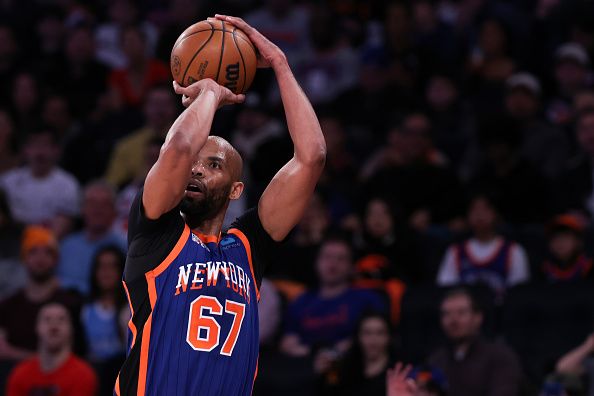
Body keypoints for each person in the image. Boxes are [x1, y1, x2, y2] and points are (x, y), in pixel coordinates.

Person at [114, 14, 326, 396]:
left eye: (213, 165)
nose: (196, 169)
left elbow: (311, 158)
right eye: (195, 162)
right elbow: (178, 149)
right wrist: (210, 91)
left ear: (234, 190)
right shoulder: (156, 231)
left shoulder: (247, 246)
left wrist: (279, 62)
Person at [280, 236, 386, 372]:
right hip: (307, 369)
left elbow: (378, 335)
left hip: (353, 367)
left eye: (341, 259)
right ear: (317, 262)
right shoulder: (301, 301)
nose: (333, 264)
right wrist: (313, 354)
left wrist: (339, 352)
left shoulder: (367, 299)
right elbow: (287, 342)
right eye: (327, 257)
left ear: (351, 266)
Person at [0, 226, 83, 362]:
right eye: (33, 252)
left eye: (47, 252)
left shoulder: (71, 303)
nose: (40, 258)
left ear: (56, 259)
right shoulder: (7, 306)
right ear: (24, 258)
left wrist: (15, 353)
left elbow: (76, 353)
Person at [428, 288, 522, 396]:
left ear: (478, 317)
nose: (453, 320)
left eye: (461, 313)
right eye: (446, 314)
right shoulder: (437, 359)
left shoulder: (500, 357)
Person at [437, 194, 529, 298]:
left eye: (485, 209)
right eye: (474, 210)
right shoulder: (455, 251)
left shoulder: (514, 251)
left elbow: (520, 295)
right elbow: (445, 290)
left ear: (496, 214)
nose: (479, 214)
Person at [5, 302, 98, 396]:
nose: (54, 326)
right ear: (37, 327)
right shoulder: (20, 374)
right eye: (47, 319)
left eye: (61, 319)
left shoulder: (83, 375)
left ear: (71, 328)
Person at [57, 181, 126, 295]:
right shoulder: (66, 246)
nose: (97, 210)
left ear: (114, 210)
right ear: (82, 209)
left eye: (104, 204)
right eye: (92, 203)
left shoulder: (125, 247)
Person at [0, 128, 80, 225]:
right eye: (35, 145)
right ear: (26, 150)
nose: (40, 152)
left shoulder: (68, 184)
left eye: (45, 145)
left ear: (56, 150)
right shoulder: (7, 181)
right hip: (10, 236)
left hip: (50, 238)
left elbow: (65, 222)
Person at [82, 245, 128, 396]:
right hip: (92, 375)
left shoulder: (131, 310)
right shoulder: (84, 310)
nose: (106, 272)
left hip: (120, 377)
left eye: (112, 266)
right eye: (101, 266)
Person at [329, 313, 395, 396]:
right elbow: (330, 388)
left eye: (380, 333)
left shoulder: (398, 372)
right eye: (367, 333)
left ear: (389, 337)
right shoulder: (346, 369)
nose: (373, 340)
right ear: (358, 336)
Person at [541, 214, 593, 282]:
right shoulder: (544, 269)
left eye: (566, 237)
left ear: (579, 242)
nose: (560, 242)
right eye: (555, 237)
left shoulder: (589, 267)